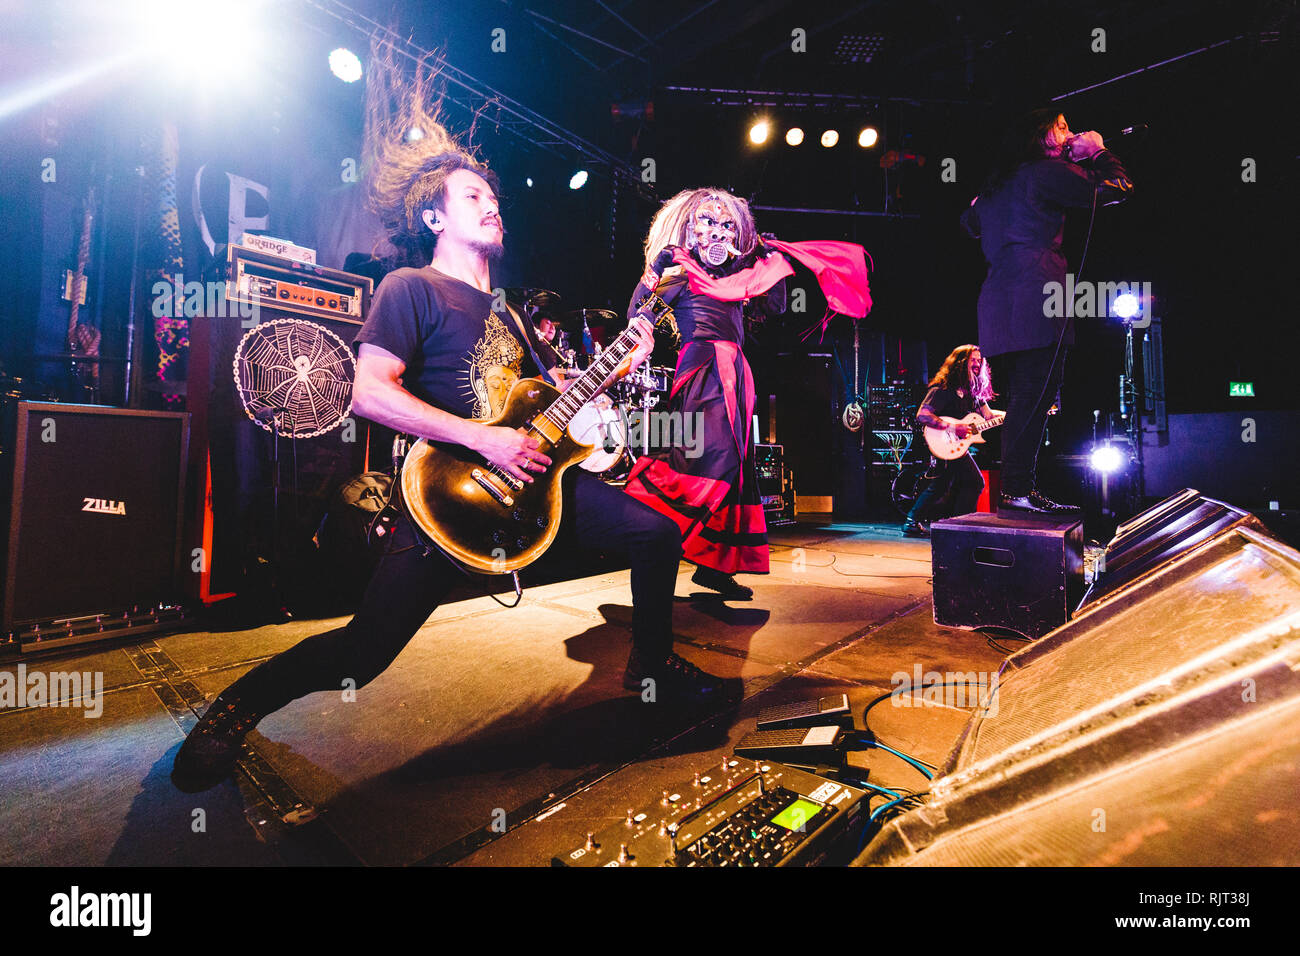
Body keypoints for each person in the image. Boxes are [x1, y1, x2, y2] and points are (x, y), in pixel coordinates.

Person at [171, 50, 736, 794]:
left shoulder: (511, 316)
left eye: (494, 197)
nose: (492, 204)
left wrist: (604, 380)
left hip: (534, 493)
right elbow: (369, 394)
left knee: (656, 532)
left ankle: (651, 664)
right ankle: (235, 708)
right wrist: (483, 438)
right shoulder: (412, 288)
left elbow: (547, 410)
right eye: (474, 196)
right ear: (436, 215)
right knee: (360, 654)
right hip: (446, 497)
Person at [961, 109, 1132, 513]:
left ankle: (1018, 488)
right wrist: (1098, 152)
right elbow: (1118, 187)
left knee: (1027, 396)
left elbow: (968, 223)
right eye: (1062, 127)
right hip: (1037, 292)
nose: (1071, 132)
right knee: (1033, 398)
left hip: (999, 300)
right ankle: (1017, 489)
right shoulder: (1042, 172)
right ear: (1040, 137)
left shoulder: (998, 185)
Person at [621, 189, 785, 601]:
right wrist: (655, 268)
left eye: (726, 225)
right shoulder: (680, 277)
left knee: (737, 467)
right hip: (702, 368)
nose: (717, 232)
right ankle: (660, 530)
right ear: (691, 230)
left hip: (737, 372)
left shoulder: (736, 279)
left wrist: (767, 256)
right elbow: (636, 314)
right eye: (708, 223)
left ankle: (713, 567)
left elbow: (778, 305)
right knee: (714, 458)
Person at [902, 345, 1001, 538]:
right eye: (972, 360)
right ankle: (962, 523)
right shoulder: (943, 388)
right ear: (960, 363)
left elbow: (989, 416)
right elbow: (923, 415)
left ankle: (914, 521)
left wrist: (1016, 415)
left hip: (957, 446)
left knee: (942, 485)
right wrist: (954, 428)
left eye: (979, 360)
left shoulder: (974, 392)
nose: (977, 363)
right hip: (942, 442)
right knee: (974, 481)